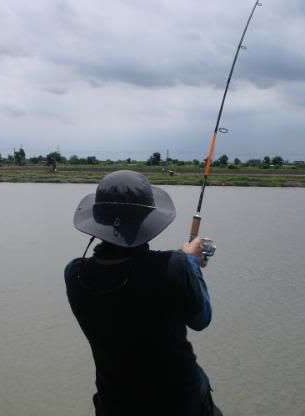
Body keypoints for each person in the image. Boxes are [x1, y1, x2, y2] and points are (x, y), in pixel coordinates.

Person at [64, 170, 222, 416]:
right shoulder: (176, 267)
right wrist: (191, 262)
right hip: (182, 404)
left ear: (98, 221)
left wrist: (183, 263)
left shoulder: (75, 274)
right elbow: (201, 320)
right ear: (146, 221)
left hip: (115, 404)